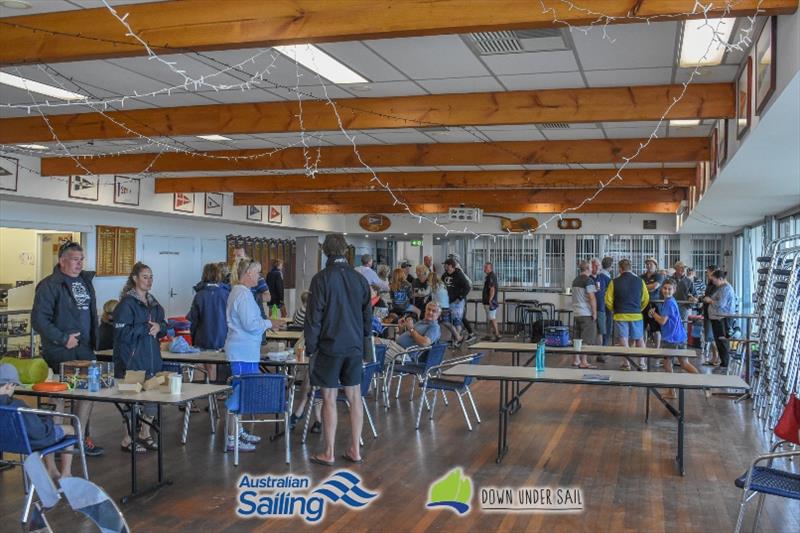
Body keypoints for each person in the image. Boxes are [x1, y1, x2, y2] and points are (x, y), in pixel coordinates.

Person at [31, 241, 103, 457]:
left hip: (85, 349)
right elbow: (39, 320)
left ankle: (79, 438)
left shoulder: (85, 282)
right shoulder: (50, 285)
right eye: (74, 259)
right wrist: (63, 339)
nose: (79, 263)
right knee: (60, 395)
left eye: (81, 260)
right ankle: (57, 441)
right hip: (61, 349)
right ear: (62, 261)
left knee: (87, 393)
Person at [305, 233, 371, 466]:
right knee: (355, 397)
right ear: (346, 251)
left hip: (329, 346)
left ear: (325, 252)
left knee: (329, 398)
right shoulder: (360, 279)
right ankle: (355, 449)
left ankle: (329, 452)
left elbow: (314, 318)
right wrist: (365, 348)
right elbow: (367, 318)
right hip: (354, 346)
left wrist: (310, 347)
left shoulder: (320, 279)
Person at [113, 262, 168, 453]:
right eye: (145, 276)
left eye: (151, 277)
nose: (149, 280)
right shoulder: (126, 304)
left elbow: (164, 324)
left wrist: (160, 328)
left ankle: (145, 433)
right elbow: (121, 333)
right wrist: (145, 328)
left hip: (152, 360)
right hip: (131, 362)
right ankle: (127, 439)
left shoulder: (154, 303)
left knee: (152, 399)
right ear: (135, 278)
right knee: (131, 402)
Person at [224, 258, 273, 452]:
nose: (260, 277)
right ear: (248, 274)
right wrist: (269, 323)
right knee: (238, 395)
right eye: (257, 273)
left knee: (242, 394)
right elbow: (251, 325)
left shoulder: (243, 293)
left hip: (246, 351)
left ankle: (238, 430)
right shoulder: (242, 295)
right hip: (242, 352)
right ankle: (231, 437)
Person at [0, 364, 75, 479]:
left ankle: (51, 469)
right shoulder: (18, 406)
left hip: (6, 443)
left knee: (48, 428)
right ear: (9, 385)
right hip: (29, 443)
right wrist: (47, 420)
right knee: (70, 429)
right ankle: (66, 473)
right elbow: (39, 432)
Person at [649, 279, 699, 382]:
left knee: (668, 365)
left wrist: (654, 314)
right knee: (684, 364)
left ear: (674, 290)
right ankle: (703, 383)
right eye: (665, 288)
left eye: (669, 289)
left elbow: (662, 321)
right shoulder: (669, 301)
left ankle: (672, 391)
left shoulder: (669, 303)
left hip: (671, 339)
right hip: (678, 337)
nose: (666, 291)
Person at [605, 259, 649, 370]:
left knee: (623, 338)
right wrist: (639, 308)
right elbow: (646, 298)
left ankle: (626, 363)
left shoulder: (614, 282)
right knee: (639, 338)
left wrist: (614, 309)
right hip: (636, 315)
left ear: (620, 269)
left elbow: (608, 300)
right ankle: (642, 363)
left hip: (620, 314)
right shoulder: (640, 281)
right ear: (630, 268)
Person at [375, 301, 442, 360]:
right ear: (425, 310)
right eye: (429, 309)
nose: (430, 312)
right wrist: (401, 329)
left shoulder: (434, 327)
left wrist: (411, 329)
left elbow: (424, 343)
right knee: (371, 341)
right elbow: (408, 337)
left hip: (404, 354)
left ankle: (369, 372)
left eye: (434, 311)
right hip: (396, 346)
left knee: (374, 350)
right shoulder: (421, 322)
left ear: (438, 314)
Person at [188, 262, 230, 350]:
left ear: (204, 275)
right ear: (218, 274)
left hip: (203, 339)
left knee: (204, 363)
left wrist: (192, 337)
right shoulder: (227, 294)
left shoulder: (199, 295)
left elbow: (193, 320)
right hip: (224, 339)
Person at [704, 269, 736, 371]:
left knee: (722, 341)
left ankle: (725, 364)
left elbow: (721, 304)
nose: (713, 282)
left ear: (721, 279)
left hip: (722, 318)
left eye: (714, 280)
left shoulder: (725, 289)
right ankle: (723, 362)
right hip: (717, 317)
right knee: (719, 341)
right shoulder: (721, 288)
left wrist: (710, 300)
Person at [571, 260, 598, 369]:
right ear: (587, 269)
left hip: (576, 312)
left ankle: (576, 359)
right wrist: (594, 312)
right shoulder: (589, 280)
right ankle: (584, 361)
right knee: (586, 338)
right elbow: (591, 297)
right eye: (591, 267)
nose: (592, 269)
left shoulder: (575, 280)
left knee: (577, 338)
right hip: (586, 313)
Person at [442, 258, 474, 344]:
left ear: (453, 267)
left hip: (457, 302)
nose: (447, 269)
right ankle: (456, 337)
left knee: (457, 322)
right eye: (446, 267)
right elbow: (441, 285)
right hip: (448, 301)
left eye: (448, 267)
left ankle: (456, 340)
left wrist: (460, 298)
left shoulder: (459, 274)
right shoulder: (445, 275)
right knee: (447, 321)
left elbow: (467, 287)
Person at [429, 271, 462, 346]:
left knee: (436, 322)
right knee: (445, 323)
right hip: (446, 306)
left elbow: (432, 298)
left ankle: (434, 339)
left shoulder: (435, 286)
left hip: (441, 307)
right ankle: (457, 336)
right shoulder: (442, 284)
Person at [641, 257, 665, 349]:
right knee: (643, 328)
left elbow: (655, 286)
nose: (648, 265)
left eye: (651, 264)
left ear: (656, 266)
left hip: (654, 304)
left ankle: (657, 348)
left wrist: (643, 287)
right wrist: (648, 287)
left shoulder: (659, 276)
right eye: (647, 264)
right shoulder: (641, 276)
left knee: (656, 328)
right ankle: (643, 348)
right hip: (643, 304)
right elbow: (639, 287)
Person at [701, 265, 719, 365]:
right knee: (709, 336)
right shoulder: (710, 283)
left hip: (713, 313)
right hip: (708, 311)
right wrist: (700, 298)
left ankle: (716, 356)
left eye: (708, 272)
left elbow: (711, 298)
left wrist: (704, 299)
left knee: (712, 336)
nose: (707, 274)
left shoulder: (717, 285)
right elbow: (706, 296)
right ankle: (715, 356)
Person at [595, 257, 613, 347]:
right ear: (610, 266)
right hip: (606, 305)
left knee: (600, 328)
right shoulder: (607, 279)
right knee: (607, 326)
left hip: (597, 305)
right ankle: (604, 346)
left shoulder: (597, 276)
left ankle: (600, 347)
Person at [481, 262, 500, 342]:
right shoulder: (489, 276)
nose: (484, 269)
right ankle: (489, 335)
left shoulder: (491, 276)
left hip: (490, 302)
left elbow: (492, 289)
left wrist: (490, 299)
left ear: (491, 268)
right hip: (488, 301)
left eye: (486, 267)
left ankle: (497, 334)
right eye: (484, 267)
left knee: (492, 318)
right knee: (490, 318)